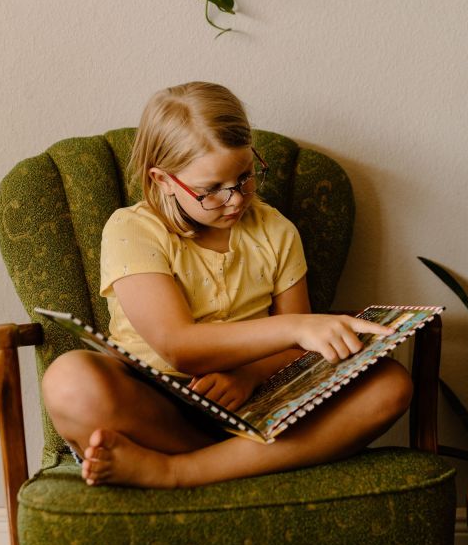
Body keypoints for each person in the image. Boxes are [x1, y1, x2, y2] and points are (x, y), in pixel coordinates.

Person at [41, 81, 413, 489]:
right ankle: (239, 459)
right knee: (68, 380)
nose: (235, 199)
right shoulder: (133, 229)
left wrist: (251, 374)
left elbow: (295, 353)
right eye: (210, 190)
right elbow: (178, 346)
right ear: (163, 180)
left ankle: (180, 470)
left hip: (257, 402)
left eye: (245, 176)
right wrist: (296, 327)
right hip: (155, 408)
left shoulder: (276, 231)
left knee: (390, 384)